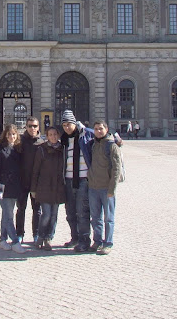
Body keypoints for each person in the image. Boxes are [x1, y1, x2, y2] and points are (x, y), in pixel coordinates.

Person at [60, 109, 94, 252]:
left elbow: (101, 136)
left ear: (74, 123)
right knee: (70, 212)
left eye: (69, 124)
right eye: (64, 125)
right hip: (68, 180)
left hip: (83, 180)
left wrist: (114, 138)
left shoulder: (86, 135)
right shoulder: (63, 139)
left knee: (82, 212)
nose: (67, 127)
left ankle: (84, 240)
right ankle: (75, 238)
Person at [87, 120, 122, 255]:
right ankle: (97, 241)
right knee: (95, 218)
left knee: (108, 218)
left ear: (106, 129)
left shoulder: (112, 146)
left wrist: (112, 189)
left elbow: (116, 169)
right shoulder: (93, 144)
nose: (98, 131)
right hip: (93, 187)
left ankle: (108, 243)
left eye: (101, 128)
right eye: (96, 129)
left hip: (107, 189)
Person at [0, 124, 27, 254]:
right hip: (3, 188)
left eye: (13, 134)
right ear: (5, 136)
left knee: (6, 214)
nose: (11, 137)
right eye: (9, 134)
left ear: (17, 135)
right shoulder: (0, 150)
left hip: (15, 187)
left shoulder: (18, 149)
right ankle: (15, 242)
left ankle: (2, 240)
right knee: (9, 216)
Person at [30, 126, 66, 251]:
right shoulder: (42, 149)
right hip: (44, 187)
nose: (53, 137)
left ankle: (49, 238)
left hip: (57, 187)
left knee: (54, 215)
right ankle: (40, 236)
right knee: (46, 214)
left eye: (55, 134)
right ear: (47, 136)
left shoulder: (63, 149)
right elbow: (35, 171)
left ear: (58, 135)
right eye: (50, 134)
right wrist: (33, 189)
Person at [16, 116, 44, 244]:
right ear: (26, 127)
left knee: (37, 210)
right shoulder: (19, 141)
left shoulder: (42, 143)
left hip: (36, 183)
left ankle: (36, 234)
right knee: (21, 209)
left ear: (39, 127)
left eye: (35, 126)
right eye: (30, 126)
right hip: (22, 182)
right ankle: (19, 234)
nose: (32, 128)